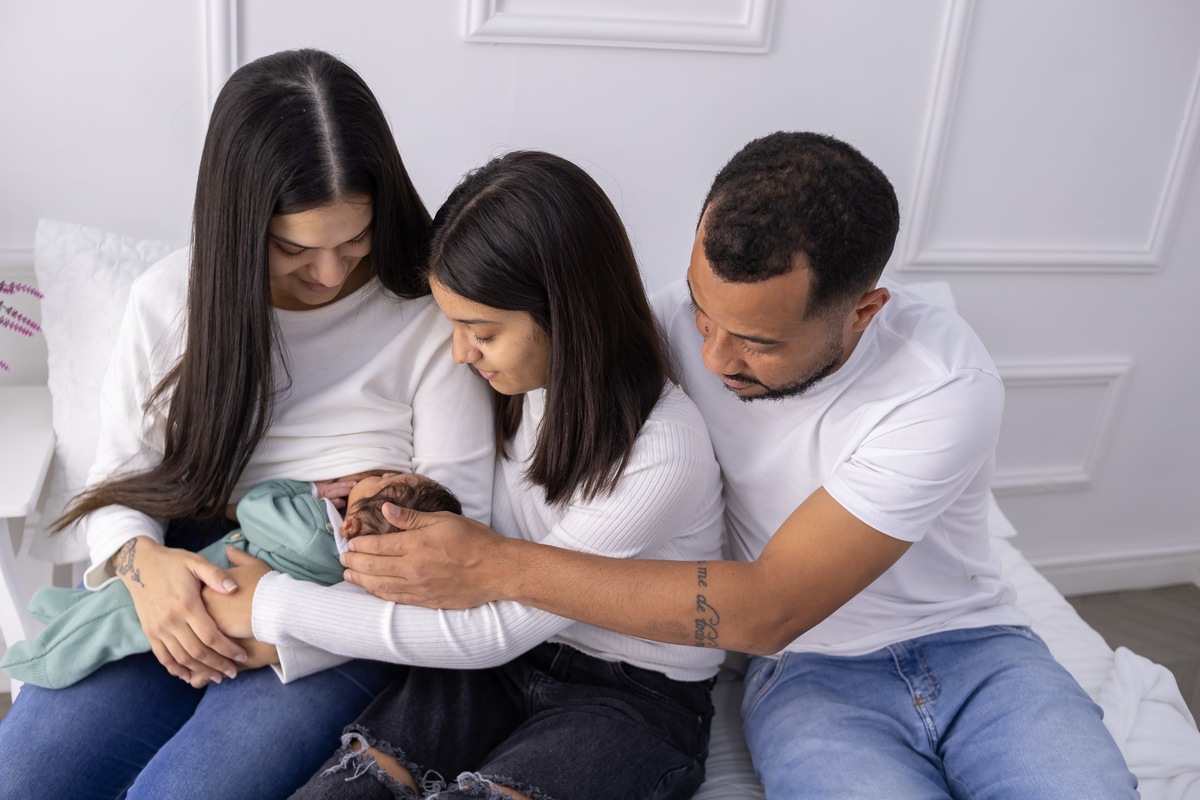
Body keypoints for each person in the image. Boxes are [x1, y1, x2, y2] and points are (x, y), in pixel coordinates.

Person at [348, 132, 1139, 799]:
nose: (712, 355)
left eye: (759, 342)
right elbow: (523, 350)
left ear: (863, 311)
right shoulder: (665, 325)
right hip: (808, 677)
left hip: (975, 649)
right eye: (701, 307)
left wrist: (497, 566)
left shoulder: (943, 386)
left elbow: (769, 608)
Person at [0, 49, 494, 800]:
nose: (330, 274)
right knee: (27, 776)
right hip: (193, 567)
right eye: (295, 249)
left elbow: (461, 522)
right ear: (240, 222)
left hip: (344, 595)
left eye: (353, 241)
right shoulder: (172, 299)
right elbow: (121, 478)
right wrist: (146, 570)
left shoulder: (430, 311)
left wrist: (291, 616)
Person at [205, 150, 726, 800]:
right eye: (453, 325)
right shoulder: (514, 385)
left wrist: (270, 603)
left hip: (629, 694)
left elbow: (491, 629)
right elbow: (463, 553)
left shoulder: (661, 451)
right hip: (502, 669)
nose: (459, 352)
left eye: (480, 331)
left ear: (567, 313)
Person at [1, 472, 462, 689]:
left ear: (354, 526)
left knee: (119, 622)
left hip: (208, 588)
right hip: (238, 611)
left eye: (379, 481)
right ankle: (67, 609)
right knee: (117, 606)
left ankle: (47, 658)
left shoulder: (311, 529)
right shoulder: (359, 576)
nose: (374, 474)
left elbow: (254, 507)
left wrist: (309, 491)